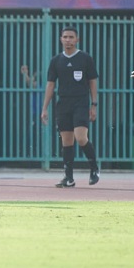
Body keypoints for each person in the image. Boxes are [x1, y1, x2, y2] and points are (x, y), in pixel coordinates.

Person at [41, 26, 100, 188]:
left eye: (71, 37)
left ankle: (94, 168)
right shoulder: (56, 61)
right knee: (66, 141)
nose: (68, 40)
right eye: (65, 37)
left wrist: (94, 104)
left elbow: (92, 81)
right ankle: (69, 177)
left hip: (80, 102)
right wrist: (44, 108)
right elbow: (50, 85)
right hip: (63, 103)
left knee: (81, 137)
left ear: (77, 39)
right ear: (61, 39)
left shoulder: (85, 58)